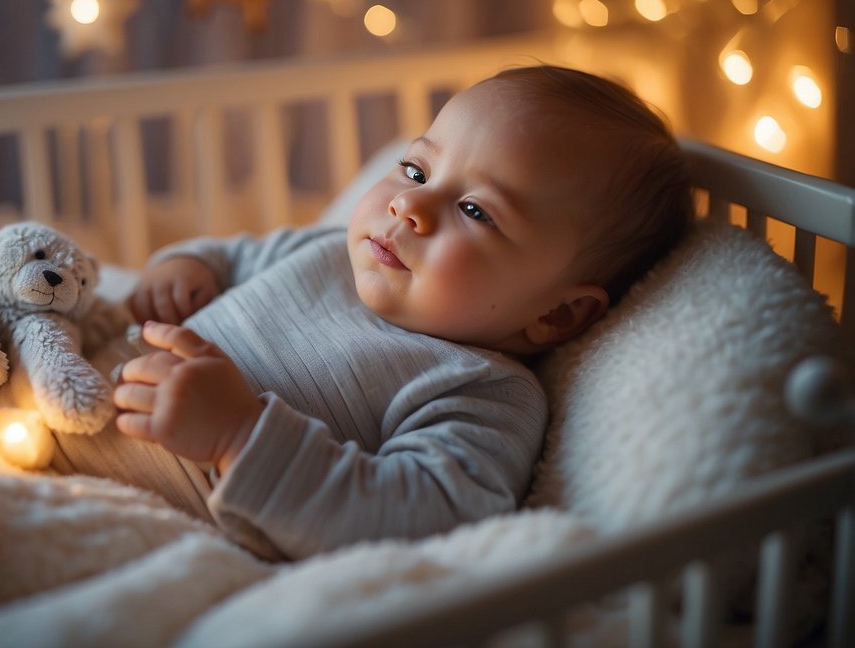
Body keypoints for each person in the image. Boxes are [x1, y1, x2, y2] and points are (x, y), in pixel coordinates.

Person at [109, 64, 694, 561]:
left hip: (136, 498)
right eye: (416, 170)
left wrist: (239, 435)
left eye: (475, 211)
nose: (408, 203)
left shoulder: (481, 391)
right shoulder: (329, 252)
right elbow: (231, 258)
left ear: (560, 315)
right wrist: (183, 269)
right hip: (76, 378)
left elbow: (424, 517)